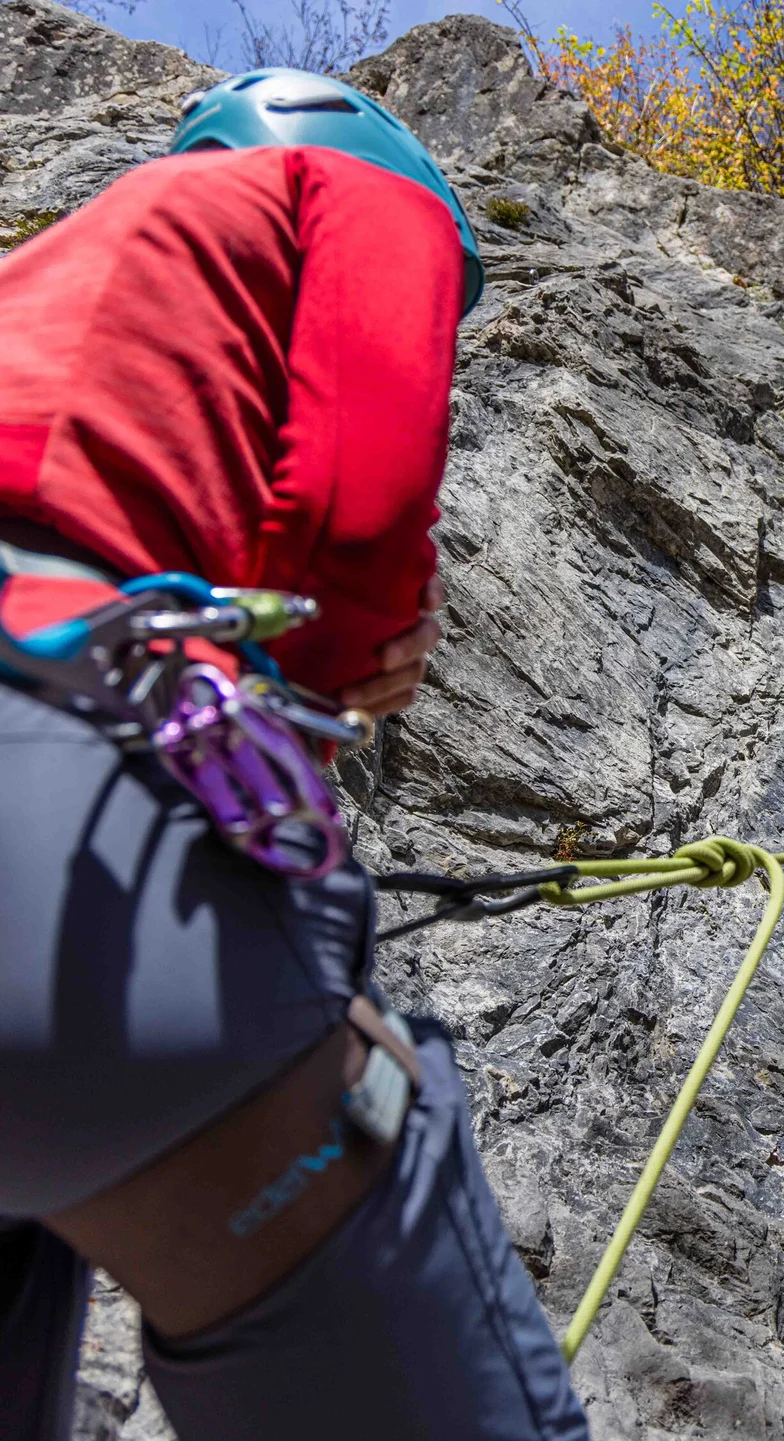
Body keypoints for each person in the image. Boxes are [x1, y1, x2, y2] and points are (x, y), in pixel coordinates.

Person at [0, 70, 589, 1440]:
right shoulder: (355, 194)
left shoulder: (48, 283)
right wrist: (366, 651)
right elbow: (356, 502)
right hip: (70, 832)